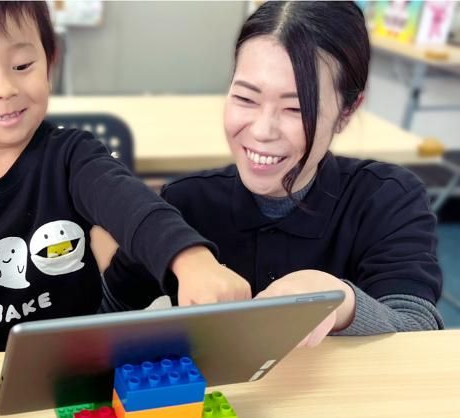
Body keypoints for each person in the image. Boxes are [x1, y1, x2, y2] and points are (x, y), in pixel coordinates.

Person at [0, 1, 249, 352]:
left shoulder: (73, 157)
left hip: (71, 358)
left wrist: (190, 259)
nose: (5, 88)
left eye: (23, 65)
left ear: (49, 61)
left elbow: (131, 205)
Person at [101, 1, 443, 347]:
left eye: (296, 108)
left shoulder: (388, 199)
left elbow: (419, 329)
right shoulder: (184, 203)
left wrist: (341, 302)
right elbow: (105, 310)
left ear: (347, 111)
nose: (263, 131)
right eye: (246, 98)